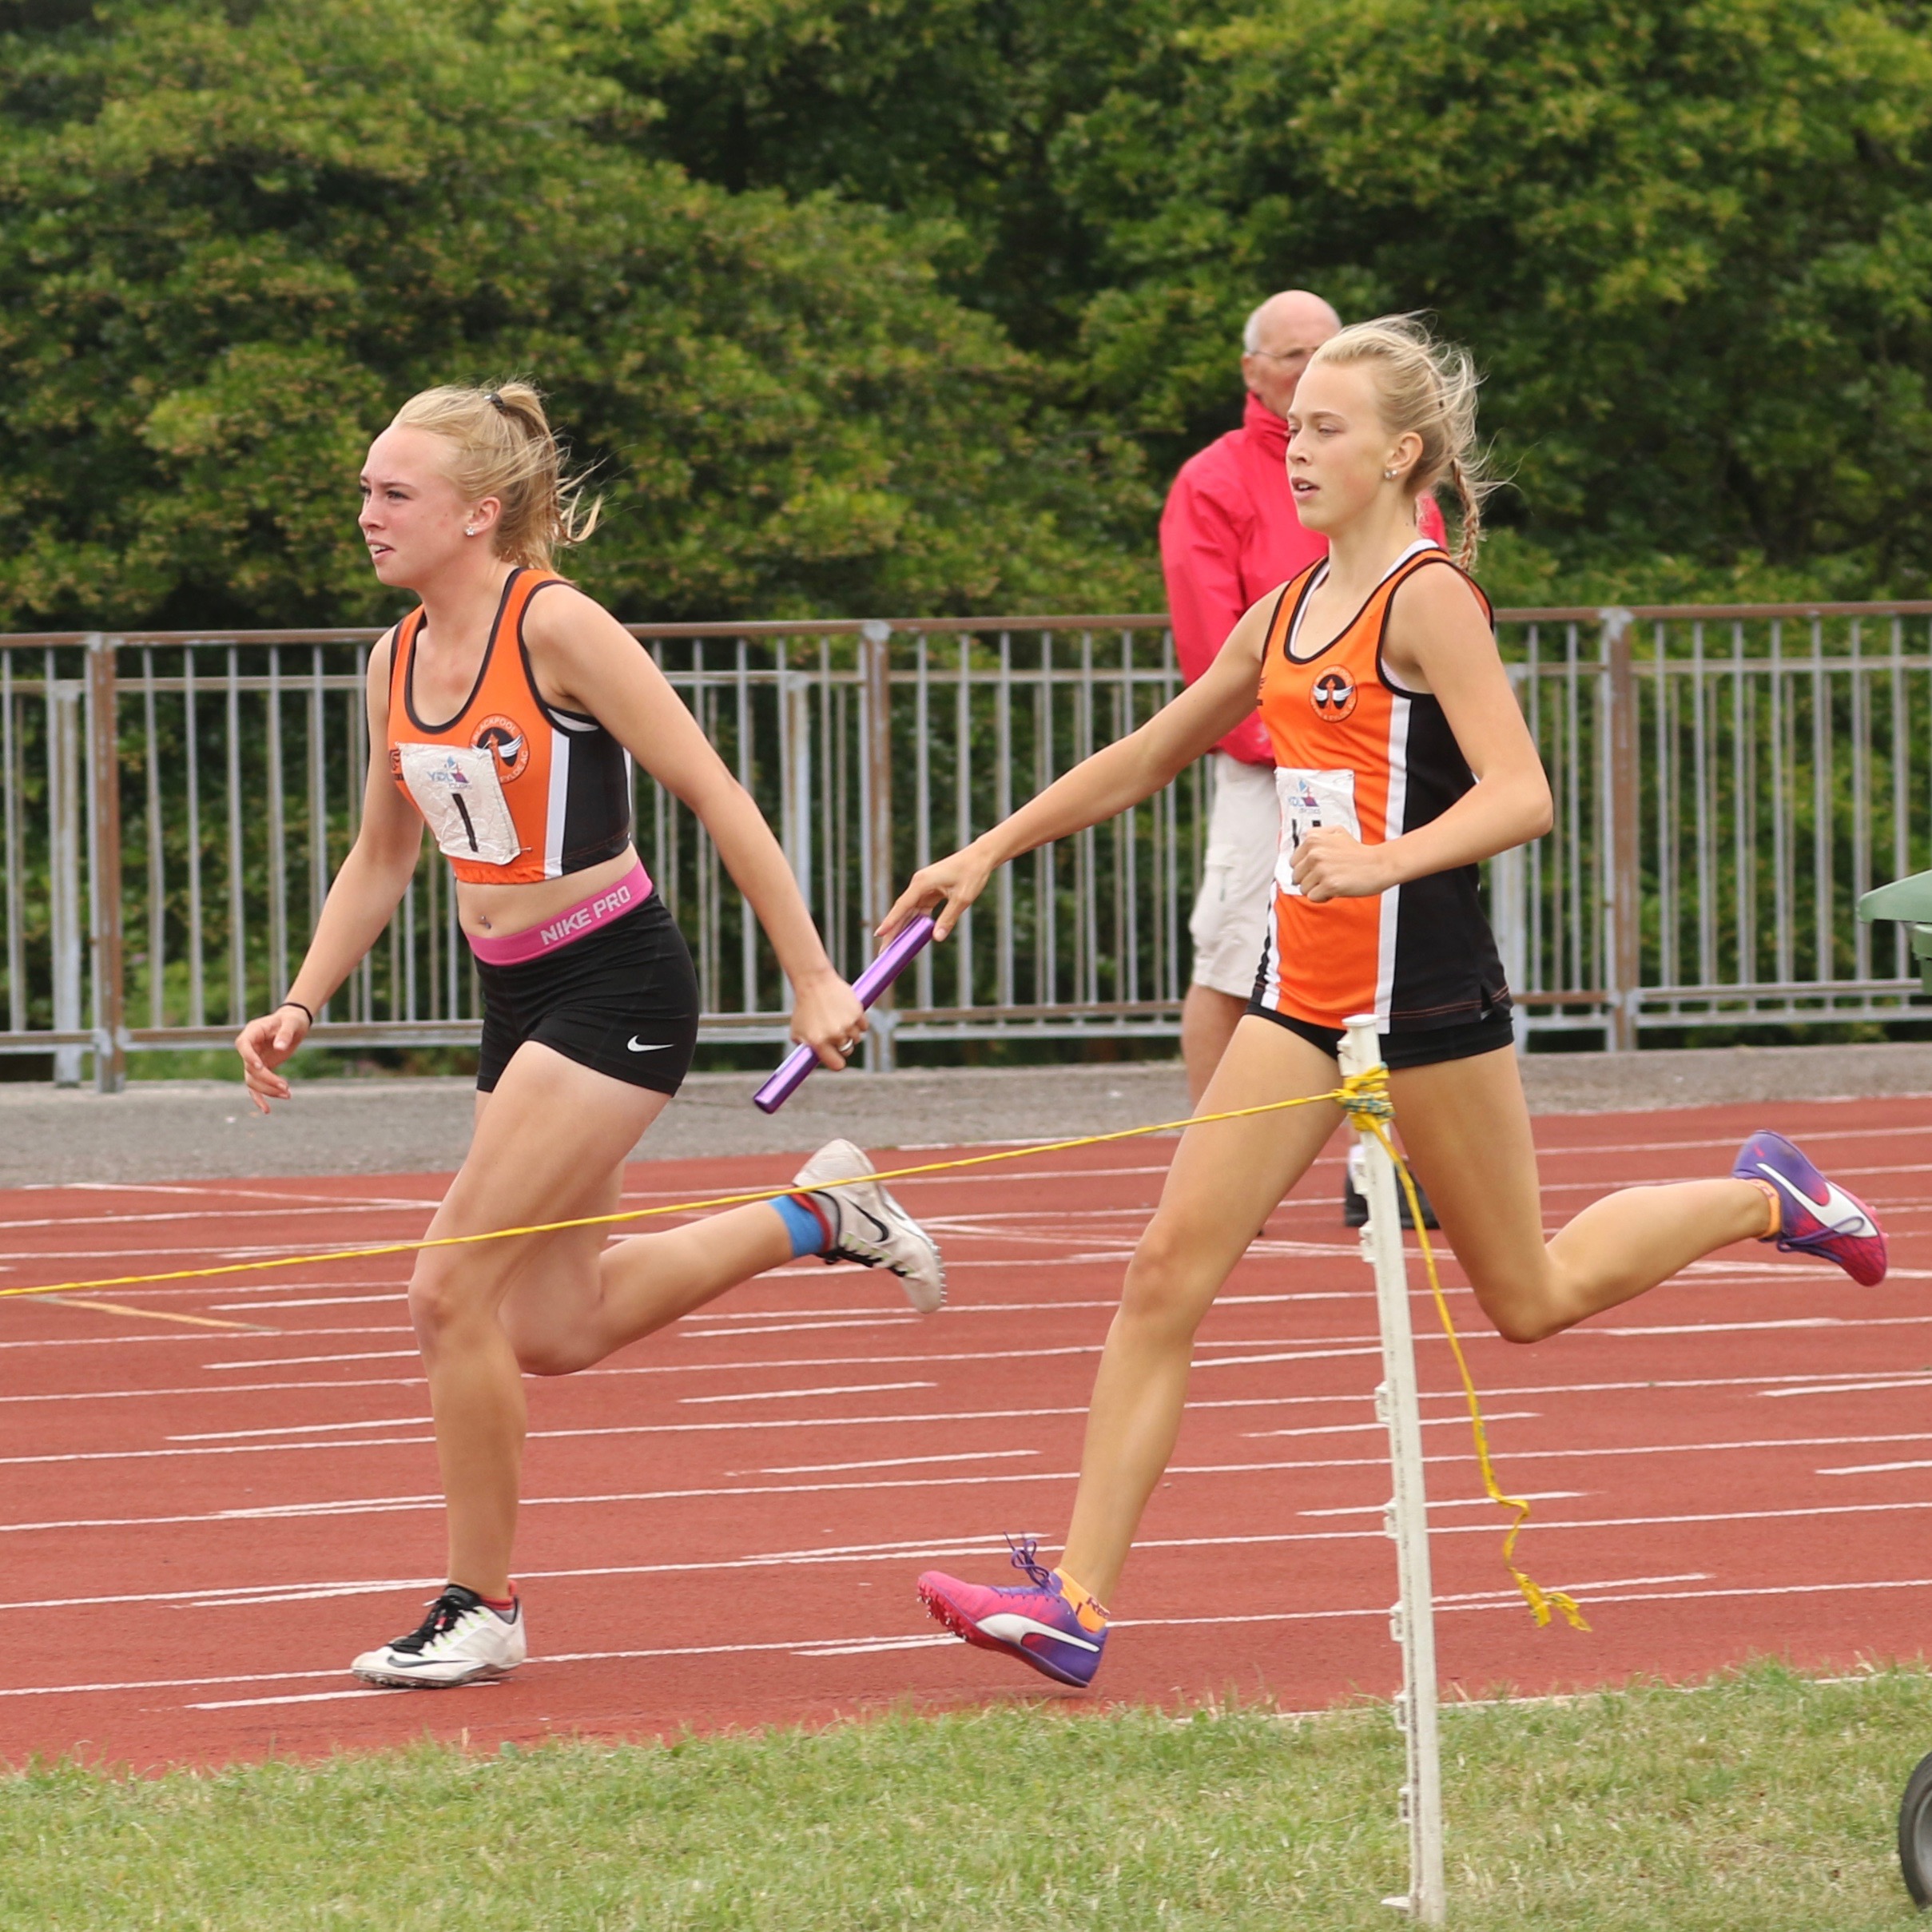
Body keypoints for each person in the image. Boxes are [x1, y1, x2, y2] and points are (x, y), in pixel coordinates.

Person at [893, 316, 1888, 1691]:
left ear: (1399, 453)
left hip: (1422, 999)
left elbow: (1520, 794)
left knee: (1528, 1295)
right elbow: (1145, 753)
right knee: (1163, 1275)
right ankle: (1074, 1599)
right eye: (1293, 425)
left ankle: (1764, 1197)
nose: (1296, 450)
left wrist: (1384, 857)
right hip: (1297, 1000)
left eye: (1327, 428)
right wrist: (986, 850)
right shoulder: (1280, 611)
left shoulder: (1428, 601)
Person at [234, 381, 944, 1689]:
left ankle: (481, 1601)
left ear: (478, 512)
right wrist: (302, 998)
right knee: (554, 1325)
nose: (367, 513)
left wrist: (808, 974)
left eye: (394, 493)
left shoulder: (557, 625)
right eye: (364, 491)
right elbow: (382, 855)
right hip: (514, 1000)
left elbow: (717, 794)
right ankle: (819, 1216)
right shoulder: (394, 659)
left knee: (446, 1289)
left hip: (616, 988)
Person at [1162, 289, 1445, 1104]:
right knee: (1233, 961)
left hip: (1379, 773)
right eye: (1293, 356)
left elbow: (1511, 780)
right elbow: (1205, 653)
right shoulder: (1215, 479)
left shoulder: (1410, 525)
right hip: (1269, 766)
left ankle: (1375, 1153)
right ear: (1252, 370)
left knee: (1390, 966)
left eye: (1326, 350)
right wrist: (987, 851)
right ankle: (1222, 1144)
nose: (1310, 368)